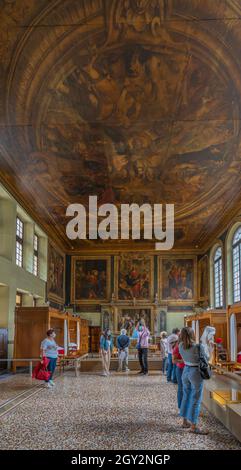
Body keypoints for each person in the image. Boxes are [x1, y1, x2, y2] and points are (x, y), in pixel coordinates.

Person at [179, 327, 208, 434]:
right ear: (192, 334)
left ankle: (184, 421)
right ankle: (194, 426)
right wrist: (210, 347)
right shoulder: (198, 346)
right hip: (195, 372)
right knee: (196, 398)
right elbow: (207, 359)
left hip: (186, 371)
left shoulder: (181, 346)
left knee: (186, 395)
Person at [172, 338, 185, 410]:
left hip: (189, 369)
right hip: (181, 369)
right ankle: (181, 408)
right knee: (181, 388)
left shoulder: (190, 346)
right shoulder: (177, 347)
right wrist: (184, 361)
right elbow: (173, 361)